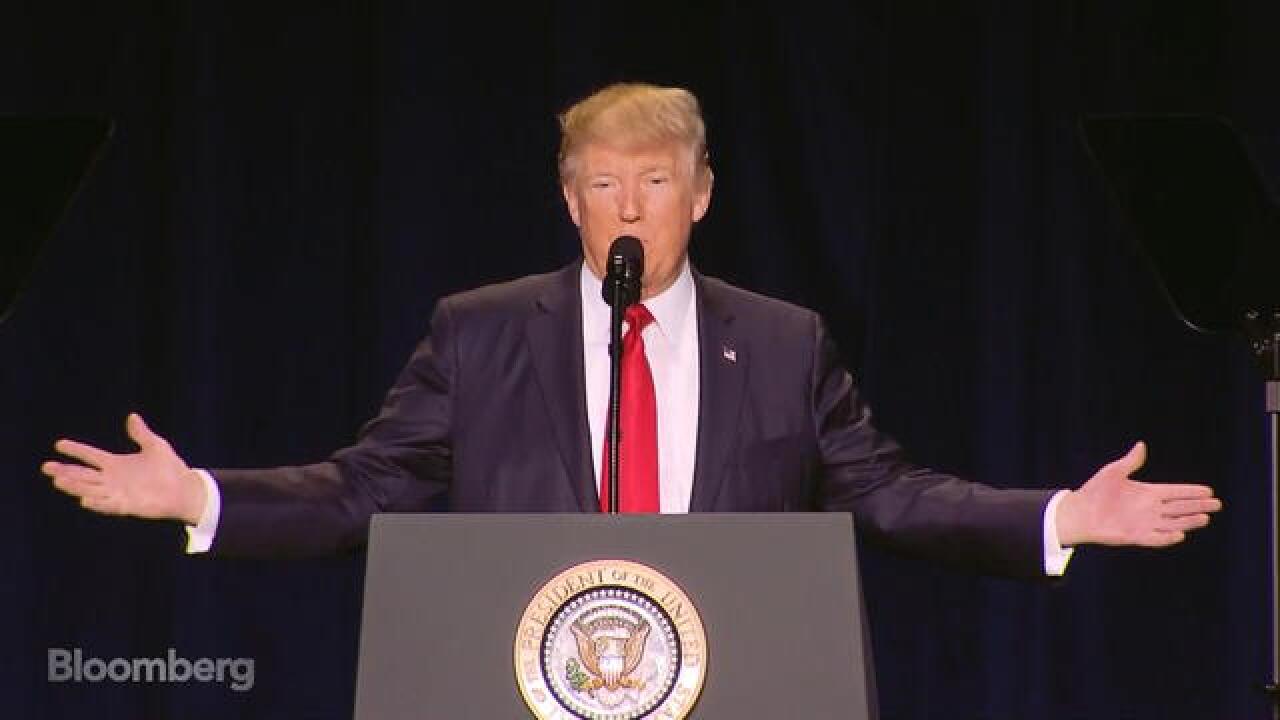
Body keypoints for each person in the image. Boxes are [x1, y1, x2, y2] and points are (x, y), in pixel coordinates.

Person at [42, 83, 1220, 575]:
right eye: (602, 185)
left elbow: (887, 492)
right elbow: (365, 489)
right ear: (568, 199)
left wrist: (1062, 516)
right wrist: (202, 496)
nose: (627, 208)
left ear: (699, 194)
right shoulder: (480, 333)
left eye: (653, 184)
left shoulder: (782, 342)